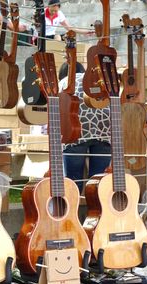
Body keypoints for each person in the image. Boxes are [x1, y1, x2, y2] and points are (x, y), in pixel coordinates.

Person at [58, 62, 111, 194]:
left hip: (76, 133)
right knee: (98, 181)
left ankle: (73, 211)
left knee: (74, 180)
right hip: (104, 130)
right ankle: (96, 211)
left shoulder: (64, 83)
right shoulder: (96, 81)